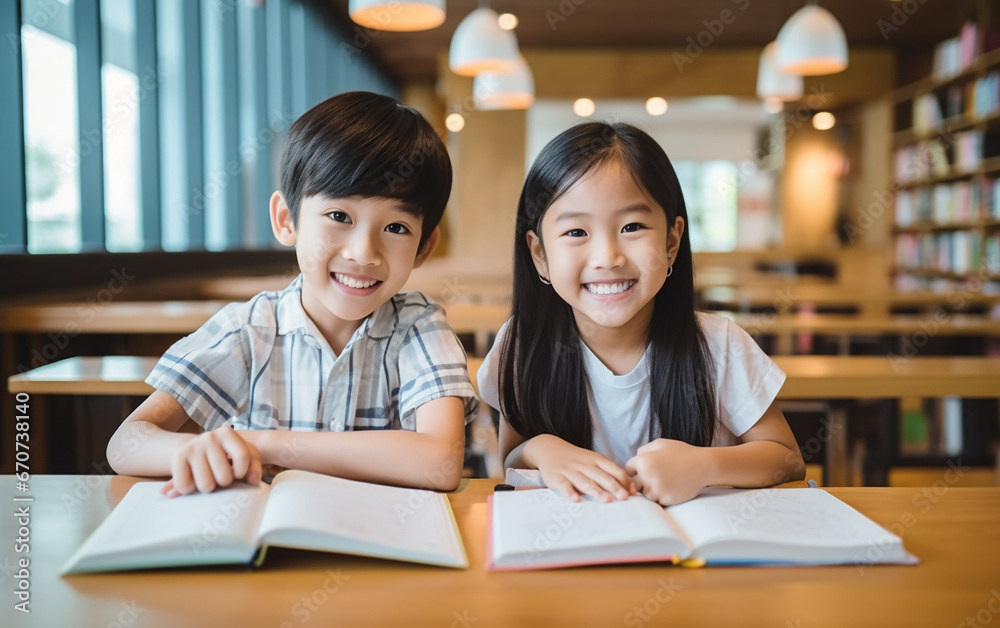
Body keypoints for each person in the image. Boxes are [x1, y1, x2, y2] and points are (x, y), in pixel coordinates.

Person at [108, 91, 479, 496]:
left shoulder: (418, 327)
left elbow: (441, 462)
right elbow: (126, 443)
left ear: (424, 246)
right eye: (339, 216)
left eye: (396, 228)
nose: (363, 253)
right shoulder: (249, 329)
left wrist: (260, 444)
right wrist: (200, 450)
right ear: (287, 221)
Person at [478, 121, 805, 506]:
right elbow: (510, 464)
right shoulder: (522, 345)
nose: (608, 259)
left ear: (671, 241)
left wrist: (705, 465)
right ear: (540, 254)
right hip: (576, 556)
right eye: (576, 233)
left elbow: (787, 460)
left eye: (632, 226)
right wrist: (542, 449)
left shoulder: (720, 344)